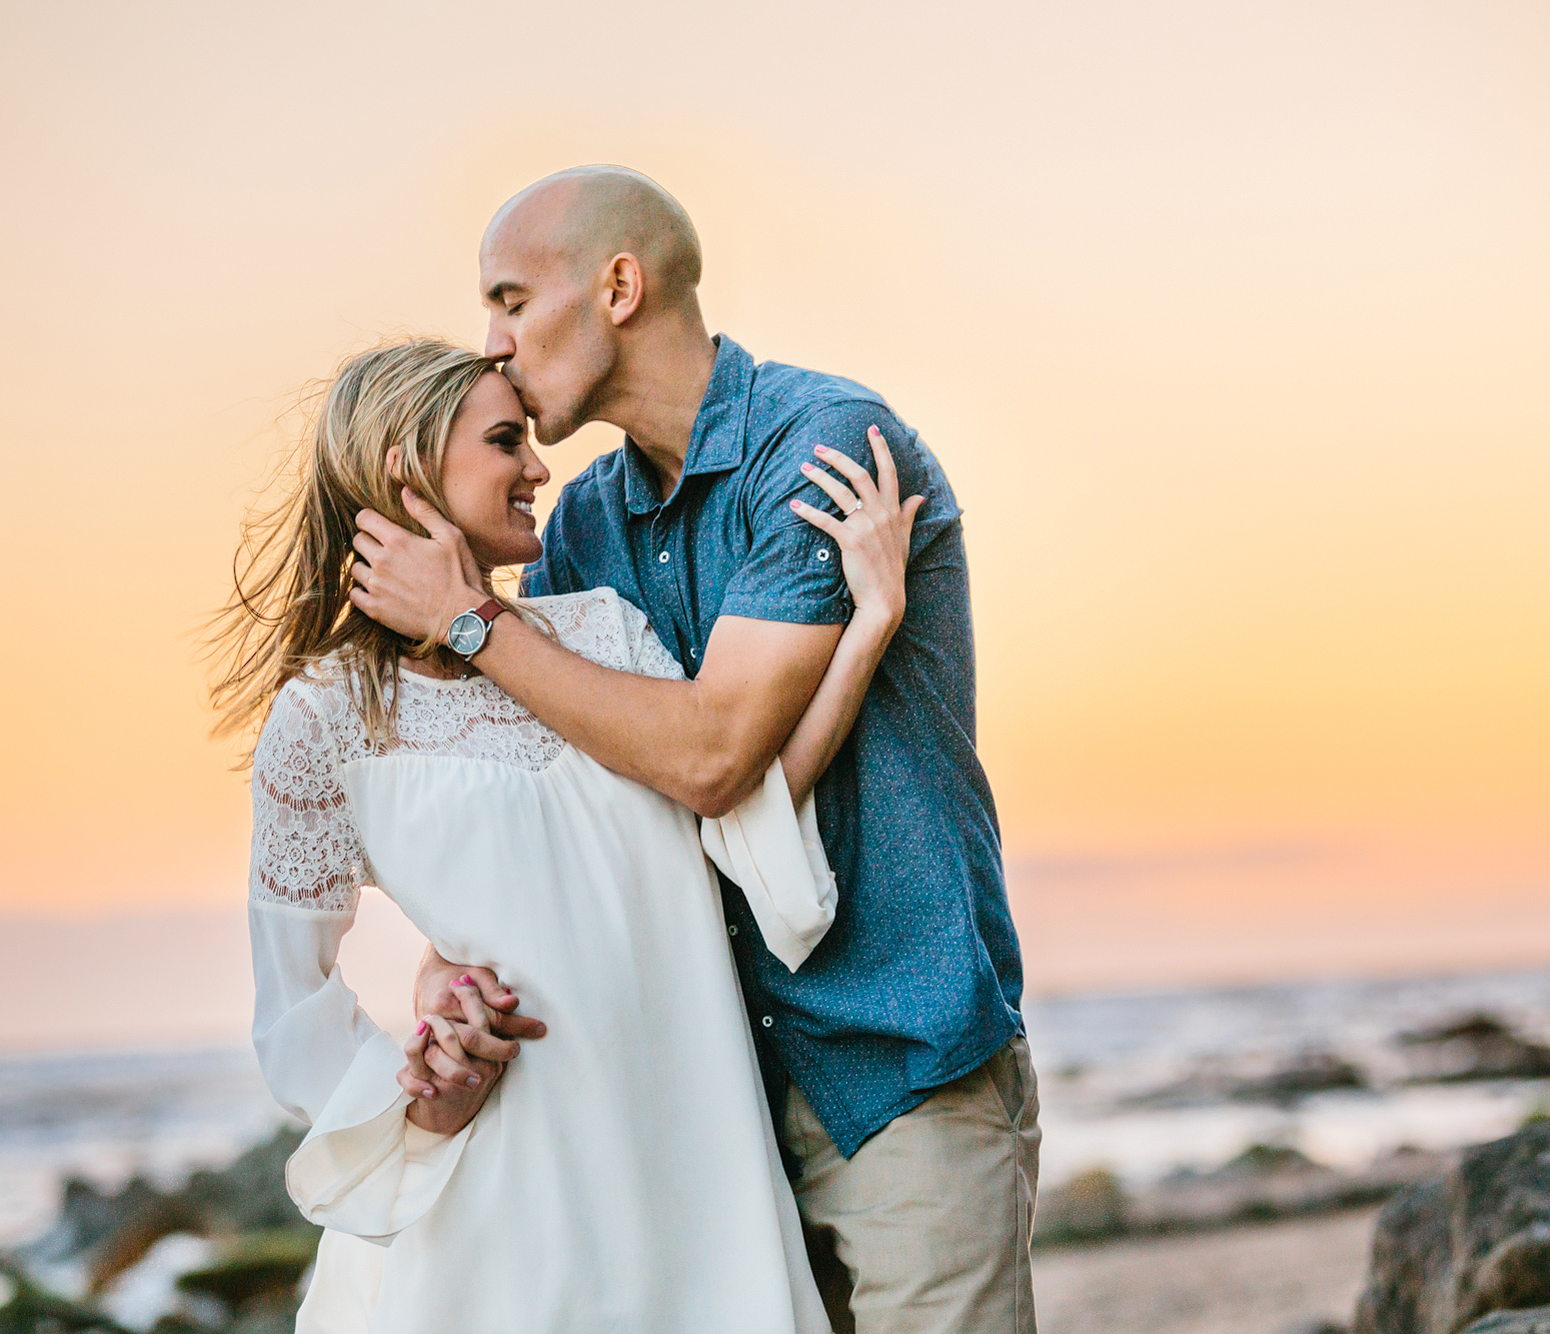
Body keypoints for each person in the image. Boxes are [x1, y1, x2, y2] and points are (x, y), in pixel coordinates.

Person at [349, 165, 1038, 1333]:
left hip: (895, 1064)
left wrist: (469, 620)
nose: (495, 343)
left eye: (511, 297)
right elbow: (555, 805)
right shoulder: (581, 527)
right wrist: (438, 967)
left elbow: (716, 757)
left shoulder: (822, 446)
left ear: (618, 285)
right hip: (706, 1107)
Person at [211, 338, 919, 1331]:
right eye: (506, 441)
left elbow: (735, 810)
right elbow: (293, 1013)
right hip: (499, 1208)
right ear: (407, 468)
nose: (541, 465)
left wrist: (870, 622)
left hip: (693, 1174)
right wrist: (421, 1092)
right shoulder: (326, 718)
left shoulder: (600, 634)